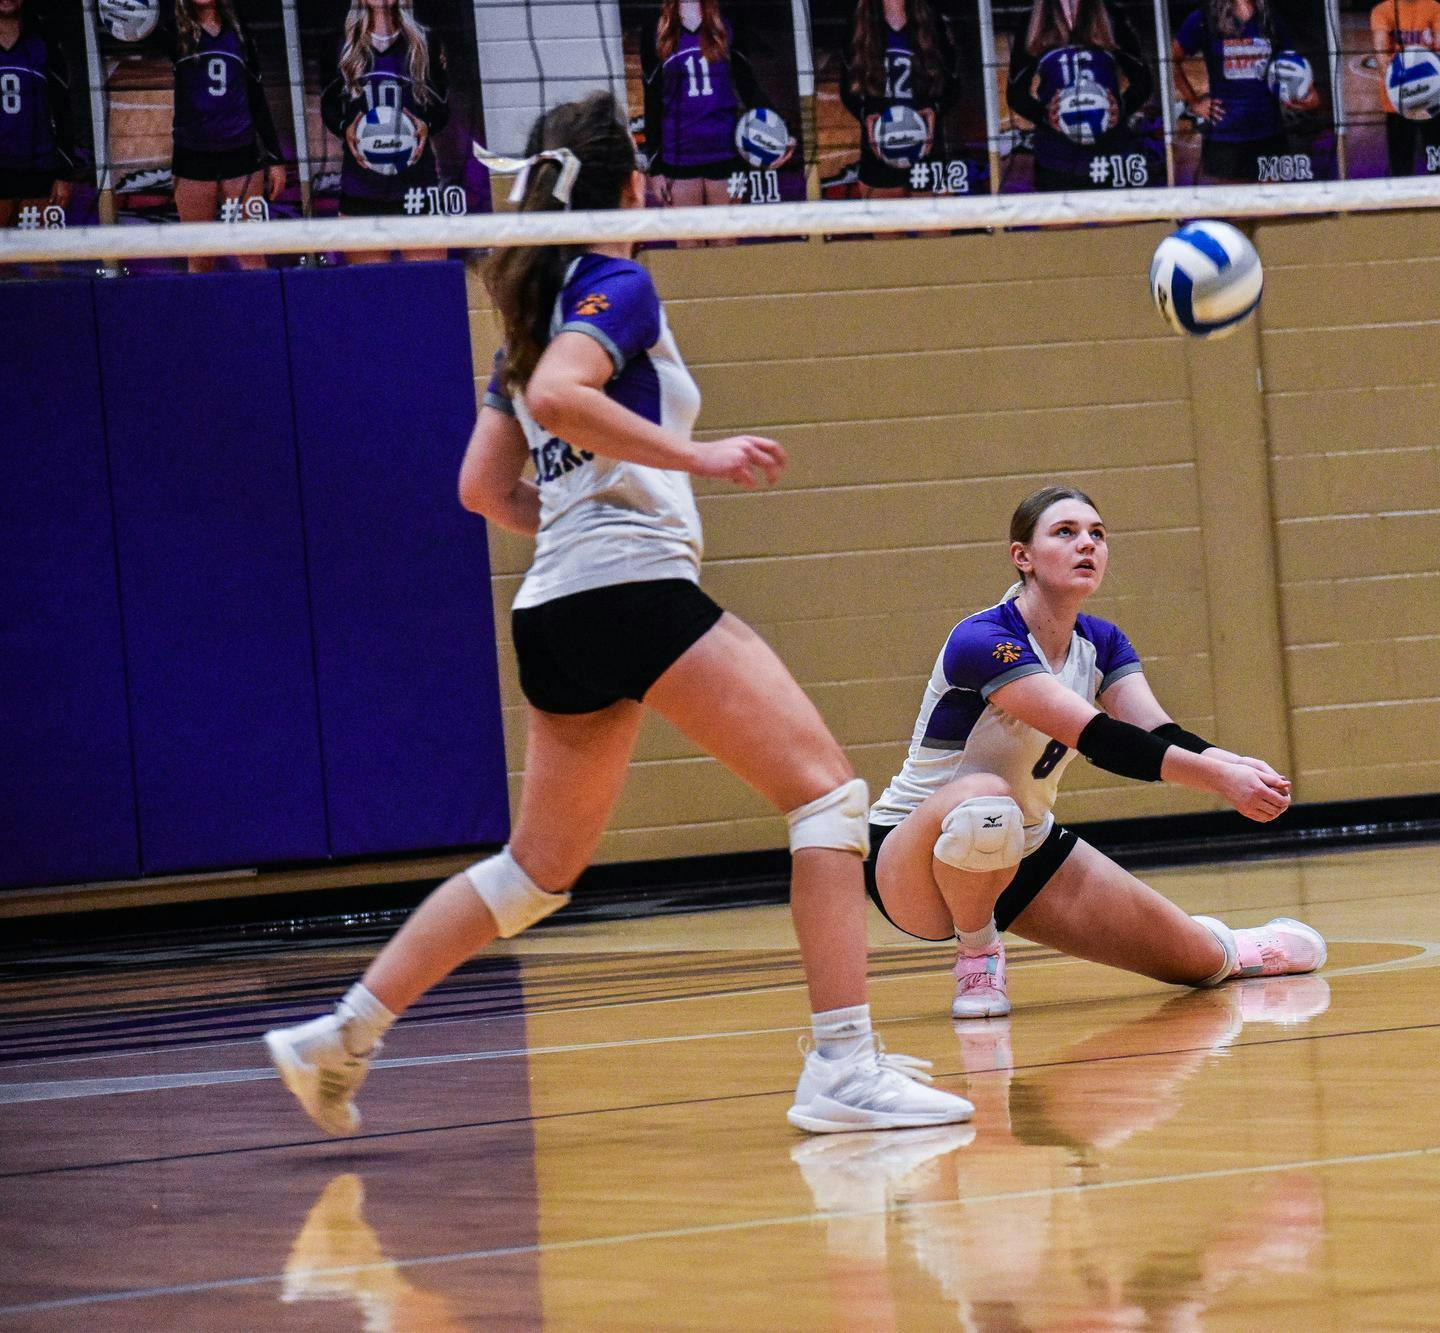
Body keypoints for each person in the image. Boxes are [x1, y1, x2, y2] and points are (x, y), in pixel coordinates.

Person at [263, 91, 973, 1137]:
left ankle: (342, 1035)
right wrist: (699, 458)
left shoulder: (527, 316)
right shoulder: (614, 284)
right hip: (629, 588)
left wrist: (577, 517)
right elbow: (559, 398)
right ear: (628, 186)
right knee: (828, 798)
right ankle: (842, 1067)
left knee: (534, 871)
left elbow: (479, 488)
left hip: (554, 610)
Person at [865, 485, 1326, 1021]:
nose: (1087, 544)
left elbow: (1157, 731)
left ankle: (1232, 944)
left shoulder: (1102, 643)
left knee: (1201, 966)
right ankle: (979, 957)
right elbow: (1101, 738)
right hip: (913, 857)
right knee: (986, 802)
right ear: (1024, 557)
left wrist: (1232, 763)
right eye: (1066, 532)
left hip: (1028, 849)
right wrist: (1220, 783)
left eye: (1097, 534)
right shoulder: (985, 640)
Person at [318, 0, 450, 261]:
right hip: (362, 190)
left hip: (418, 187)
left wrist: (427, 126)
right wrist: (346, 128)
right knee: (371, 293)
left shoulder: (425, 41)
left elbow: (443, 110)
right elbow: (329, 108)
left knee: (427, 290)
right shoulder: (338, 43)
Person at [641, 0, 787, 225]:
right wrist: (654, 166)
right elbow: (652, 102)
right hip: (677, 157)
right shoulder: (656, 29)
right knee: (688, 247)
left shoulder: (727, 23)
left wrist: (779, 132)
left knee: (726, 246)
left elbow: (749, 86)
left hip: (726, 155)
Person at [170, 0, 286, 271]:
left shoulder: (240, 33)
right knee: (200, 257)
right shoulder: (172, 33)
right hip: (192, 159)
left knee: (252, 254)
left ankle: (260, 312)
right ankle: (204, 314)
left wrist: (275, 157)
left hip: (241, 156)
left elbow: (257, 97)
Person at [1006, 0, 1152, 192]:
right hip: (1055, 159)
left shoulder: (1111, 15)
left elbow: (1143, 83)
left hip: (1111, 156)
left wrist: (1121, 108)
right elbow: (1016, 94)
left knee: (1117, 220)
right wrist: (1045, 115)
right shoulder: (1032, 21)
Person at [1171, 0, 1318, 184]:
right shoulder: (1206, 17)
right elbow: (1172, 59)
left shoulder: (1270, 17)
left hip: (1268, 132)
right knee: (1237, 210)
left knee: (1272, 209)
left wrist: (1307, 93)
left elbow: (1291, 64)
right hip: (1226, 136)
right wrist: (1194, 103)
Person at [838, 0, 957, 197]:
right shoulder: (859, 20)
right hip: (880, 146)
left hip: (925, 145)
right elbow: (848, 90)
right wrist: (867, 115)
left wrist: (934, 109)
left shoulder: (931, 17)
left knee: (936, 225)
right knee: (889, 224)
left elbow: (953, 84)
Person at [0, 0, 84, 231]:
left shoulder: (44, 43)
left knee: (44, 259)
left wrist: (65, 174)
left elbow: (64, 110)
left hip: (40, 170)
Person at [1368, 0, 1440, 176]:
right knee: (1401, 169)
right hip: (1398, 101)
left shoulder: (1436, 9)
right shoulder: (1382, 11)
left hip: (1434, 100)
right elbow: (1380, 53)